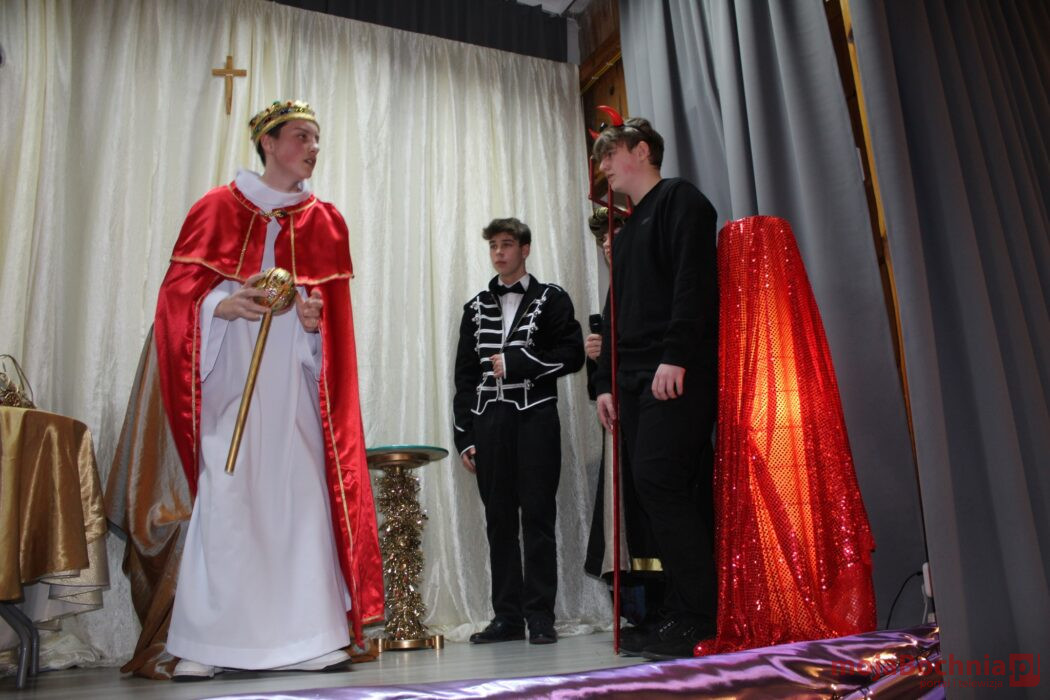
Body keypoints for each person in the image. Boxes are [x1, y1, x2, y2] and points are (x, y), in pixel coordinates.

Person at [106, 100, 384, 680]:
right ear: (268, 143)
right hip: (230, 389)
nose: (313, 147)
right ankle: (208, 643)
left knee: (299, 505)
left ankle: (310, 638)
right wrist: (220, 305)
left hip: (293, 397)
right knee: (228, 503)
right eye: (301, 136)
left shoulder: (325, 220)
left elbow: (332, 328)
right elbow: (176, 302)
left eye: (316, 138)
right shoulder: (215, 207)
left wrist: (312, 324)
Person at [591, 117, 719, 660]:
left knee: (658, 479)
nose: (602, 166)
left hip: (674, 371)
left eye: (609, 154)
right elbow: (615, 311)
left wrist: (675, 355)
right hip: (635, 380)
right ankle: (682, 607)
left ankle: (703, 614)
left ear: (641, 151)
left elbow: (694, 283)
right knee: (655, 491)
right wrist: (604, 383)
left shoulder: (680, 201)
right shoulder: (625, 231)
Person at [453, 217, 585, 646]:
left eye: (507, 244)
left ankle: (540, 616)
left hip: (535, 421)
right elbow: (465, 378)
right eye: (494, 245)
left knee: (539, 518)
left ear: (524, 249)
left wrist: (520, 363)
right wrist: (465, 437)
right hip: (488, 424)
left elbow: (572, 354)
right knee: (499, 522)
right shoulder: (475, 307)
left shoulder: (552, 298)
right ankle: (507, 617)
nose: (499, 252)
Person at [582, 208, 666, 632]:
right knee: (626, 516)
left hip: (654, 412)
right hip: (623, 422)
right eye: (602, 239)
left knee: (655, 507)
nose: (607, 244)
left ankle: (667, 607)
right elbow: (598, 387)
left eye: (615, 234)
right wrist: (596, 361)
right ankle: (642, 610)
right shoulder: (615, 291)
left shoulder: (649, 284)